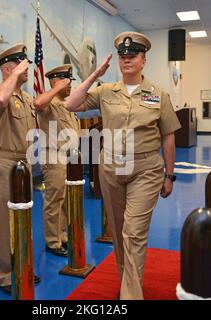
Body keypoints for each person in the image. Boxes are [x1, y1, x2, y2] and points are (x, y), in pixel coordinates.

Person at [65, 32, 181, 300]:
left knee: (134, 232)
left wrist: (170, 175)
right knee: (118, 233)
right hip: (111, 169)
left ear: (144, 60)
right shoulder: (106, 92)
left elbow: (169, 135)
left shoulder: (158, 95)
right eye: (123, 56)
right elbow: (71, 104)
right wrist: (94, 76)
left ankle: (130, 296)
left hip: (147, 169)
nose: (127, 59)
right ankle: (130, 283)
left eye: (133, 55)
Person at [0, 43, 40, 294]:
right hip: (4, 164)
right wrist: (15, 75)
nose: (27, 68)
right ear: (8, 69)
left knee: (23, 219)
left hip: (23, 164)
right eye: (21, 65)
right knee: (5, 222)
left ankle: (23, 266)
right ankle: (5, 274)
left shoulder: (26, 99)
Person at [34, 64, 80, 257]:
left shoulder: (65, 104)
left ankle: (62, 236)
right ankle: (52, 242)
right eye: (66, 82)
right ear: (55, 82)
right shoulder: (49, 103)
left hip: (67, 157)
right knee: (54, 200)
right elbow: (37, 104)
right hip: (53, 156)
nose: (70, 86)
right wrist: (55, 89)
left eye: (70, 82)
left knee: (64, 200)